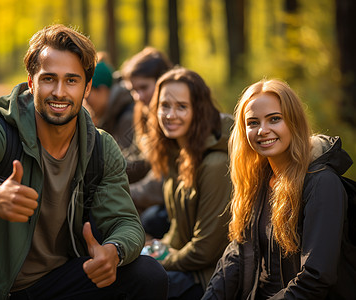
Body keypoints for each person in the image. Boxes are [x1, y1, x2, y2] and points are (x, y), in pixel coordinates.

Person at [0, 24, 168, 300]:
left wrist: (115, 251)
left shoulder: (99, 146)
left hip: (58, 284)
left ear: (87, 87)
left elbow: (125, 221)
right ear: (32, 81)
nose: (59, 92)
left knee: (147, 275)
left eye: (72, 80)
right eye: (49, 79)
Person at [203, 79, 355, 299]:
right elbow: (236, 256)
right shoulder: (257, 180)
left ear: (293, 122)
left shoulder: (322, 183)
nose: (263, 130)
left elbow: (316, 277)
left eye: (274, 119)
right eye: (253, 122)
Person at [145, 67, 233, 299]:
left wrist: (163, 261)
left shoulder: (215, 164)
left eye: (181, 107)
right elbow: (178, 229)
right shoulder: (179, 154)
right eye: (164, 105)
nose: (170, 115)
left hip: (211, 278)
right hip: (188, 268)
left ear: (199, 110)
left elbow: (204, 250)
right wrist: (153, 252)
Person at [120, 47, 174, 240]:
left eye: (143, 88)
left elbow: (161, 182)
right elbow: (143, 159)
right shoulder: (143, 112)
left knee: (148, 220)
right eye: (133, 90)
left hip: (176, 202)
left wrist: (120, 191)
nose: (138, 96)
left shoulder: (173, 120)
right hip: (161, 196)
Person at [85, 58, 135, 149]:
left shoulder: (127, 118)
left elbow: (124, 161)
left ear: (102, 90)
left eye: (88, 94)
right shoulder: (110, 113)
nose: (85, 100)